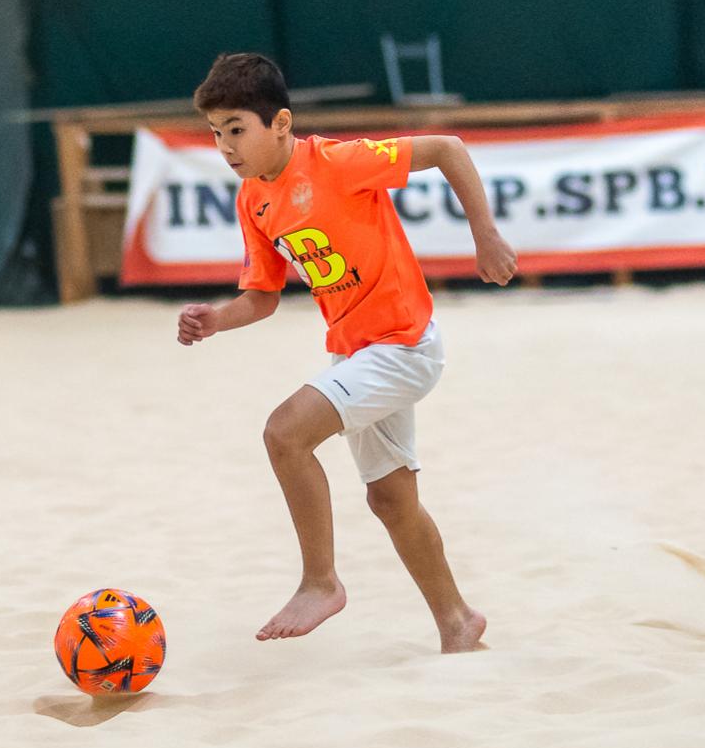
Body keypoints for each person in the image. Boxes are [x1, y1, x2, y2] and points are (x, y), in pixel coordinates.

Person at [177, 53, 517, 653]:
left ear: (281, 123)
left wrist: (485, 235)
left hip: (403, 345)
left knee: (284, 433)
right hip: (355, 355)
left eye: (237, 129)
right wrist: (216, 320)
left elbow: (449, 148)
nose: (225, 146)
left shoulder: (338, 162)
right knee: (391, 500)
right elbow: (262, 298)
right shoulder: (254, 199)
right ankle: (458, 623)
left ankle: (321, 582)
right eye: (215, 133)